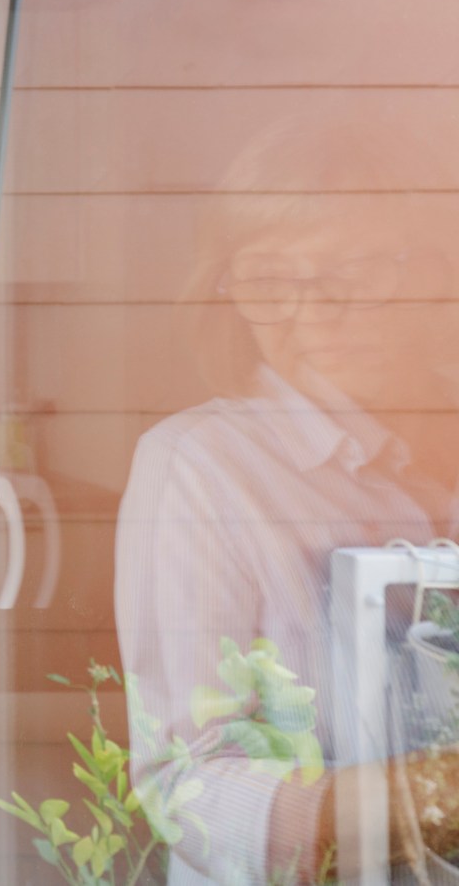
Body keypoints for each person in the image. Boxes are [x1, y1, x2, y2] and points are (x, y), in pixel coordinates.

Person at [115, 109, 459, 884]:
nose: (313, 311)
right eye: (272, 279)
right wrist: (429, 796)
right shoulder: (201, 466)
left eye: (358, 272)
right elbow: (186, 783)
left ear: (434, 274)